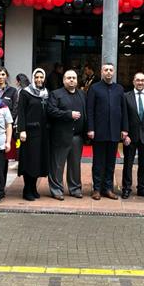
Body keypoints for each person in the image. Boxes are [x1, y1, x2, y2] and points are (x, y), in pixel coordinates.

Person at [86, 63, 128, 200]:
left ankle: (108, 188)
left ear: (114, 72)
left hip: (115, 132)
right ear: (102, 72)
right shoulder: (94, 88)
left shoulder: (119, 89)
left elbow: (124, 111)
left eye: (110, 70)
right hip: (99, 131)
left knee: (111, 162)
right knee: (98, 162)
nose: (108, 72)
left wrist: (124, 129)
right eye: (106, 70)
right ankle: (96, 189)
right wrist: (90, 128)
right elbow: (90, 110)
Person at [46, 70, 87, 200]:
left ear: (77, 80)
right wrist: (68, 114)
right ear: (64, 80)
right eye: (68, 78)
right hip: (60, 136)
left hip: (77, 136)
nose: (71, 80)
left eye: (74, 78)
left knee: (75, 165)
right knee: (58, 164)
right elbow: (51, 111)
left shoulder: (82, 94)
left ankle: (75, 189)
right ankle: (56, 189)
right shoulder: (56, 94)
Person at [122, 73, 144, 200]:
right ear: (133, 82)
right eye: (137, 80)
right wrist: (125, 134)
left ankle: (142, 188)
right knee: (128, 164)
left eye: (142, 80)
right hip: (130, 137)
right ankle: (126, 188)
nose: (140, 82)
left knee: (143, 165)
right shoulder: (126, 97)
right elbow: (123, 117)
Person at [18, 68, 50, 200]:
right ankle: (27, 190)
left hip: (43, 133)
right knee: (29, 161)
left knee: (38, 161)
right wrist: (22, 130)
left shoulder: (46, 93)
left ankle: (33, 188)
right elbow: (21, 112)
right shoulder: (25, 93)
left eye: (41, 77)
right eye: (36, 77)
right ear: (33, 78)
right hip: (29, 133)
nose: (39, 80)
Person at [0, 67, 19, 162]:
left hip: (6, 127)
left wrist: (8, 123)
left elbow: (15, 109)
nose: (0, 77)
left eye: (3, 74)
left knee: (5, 155)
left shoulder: (12, 91)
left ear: (6, 76)